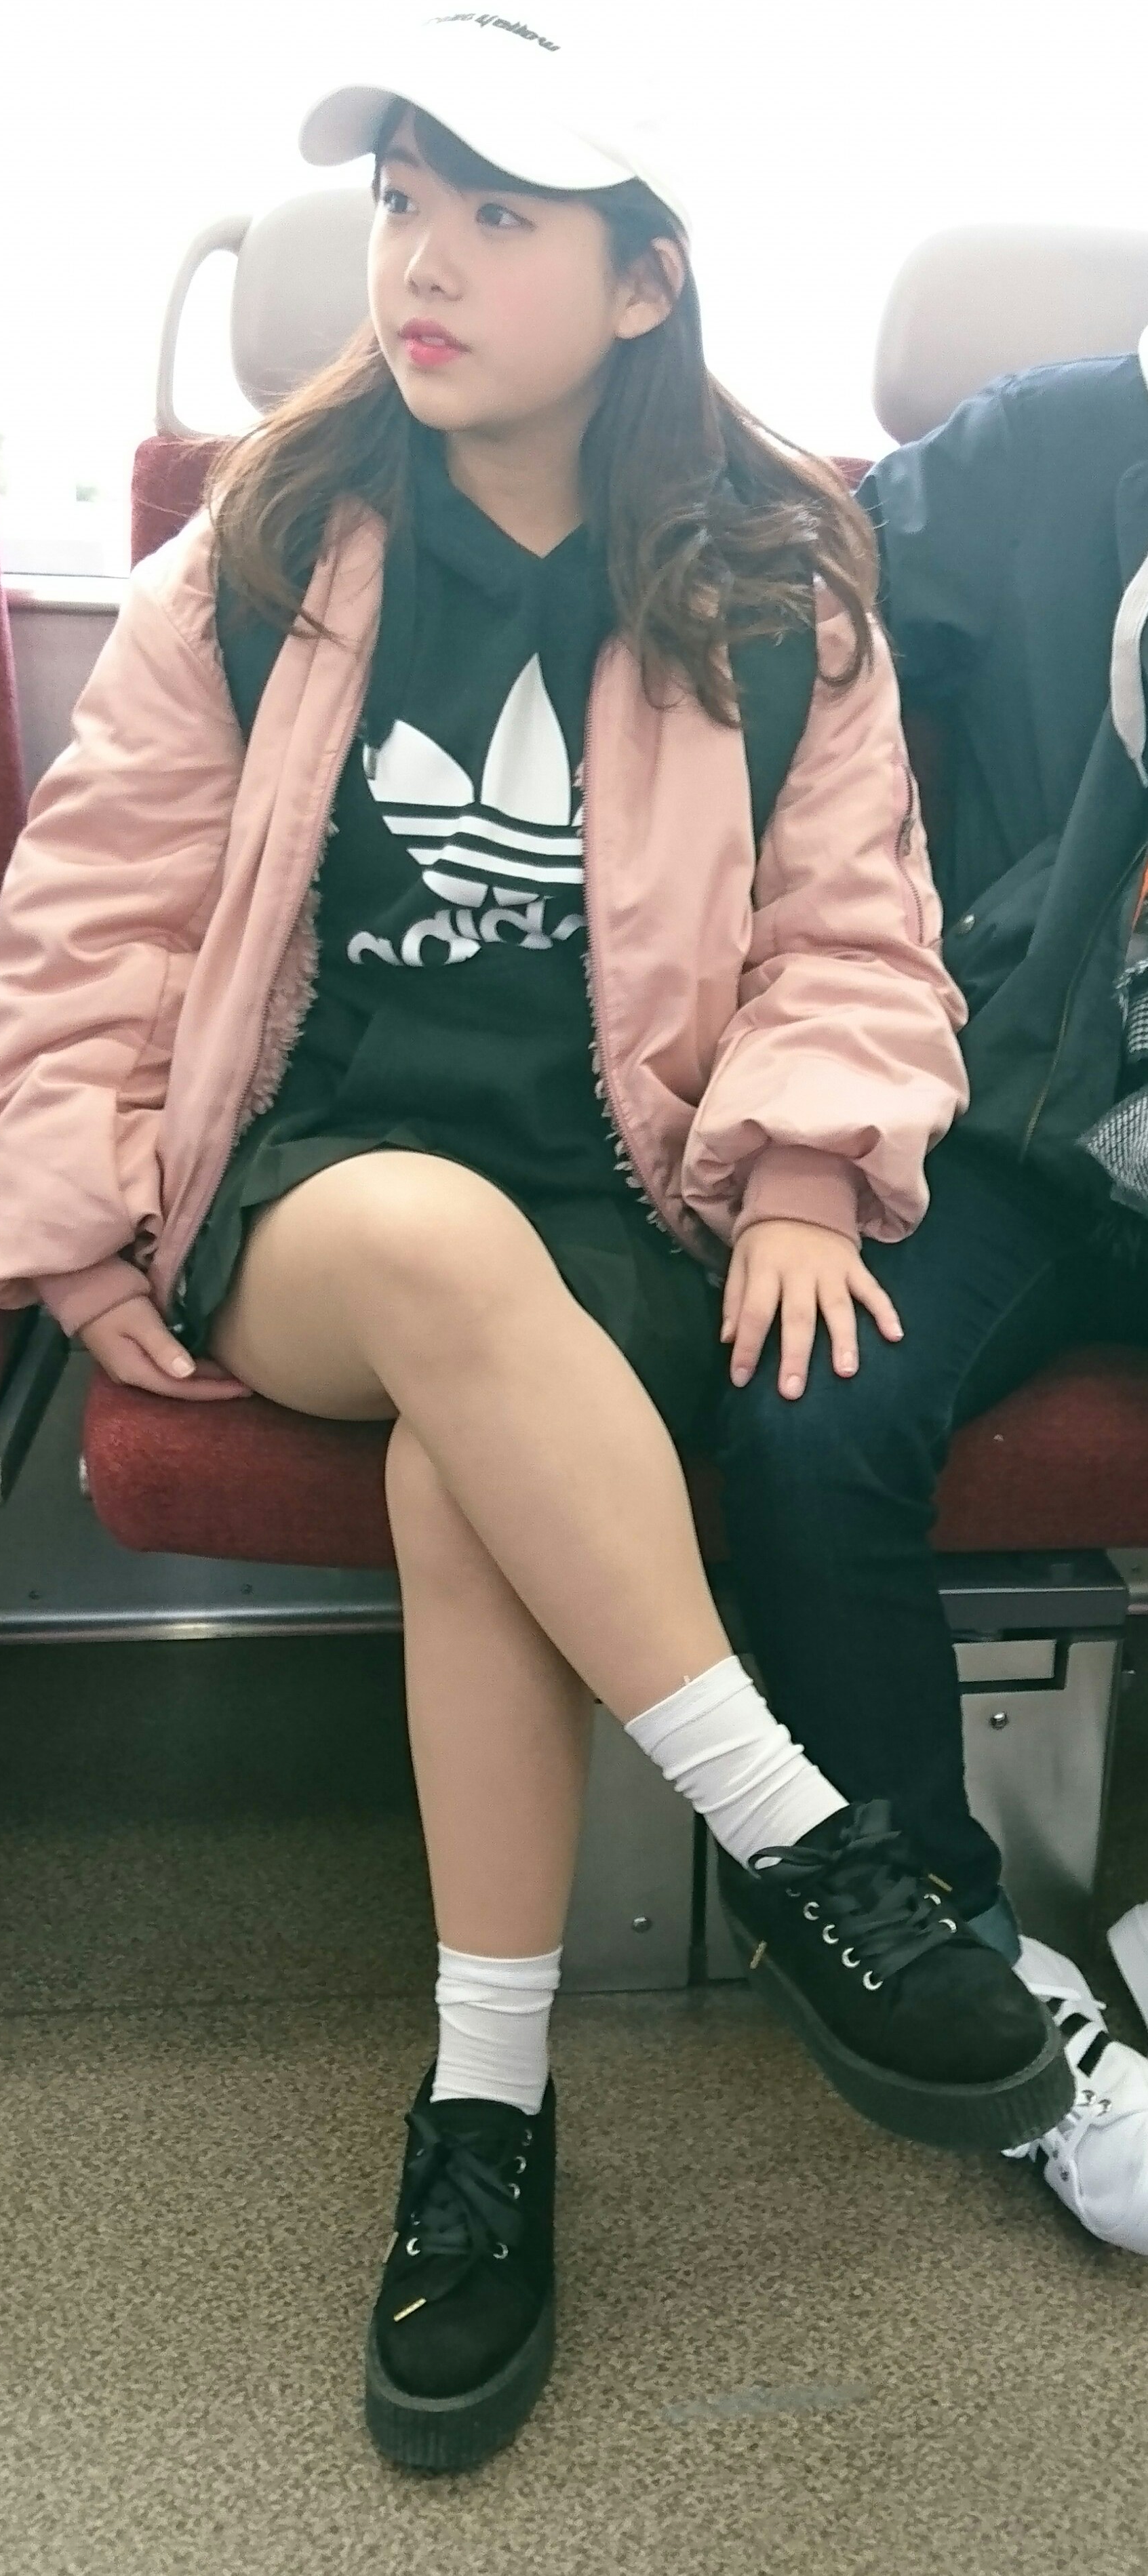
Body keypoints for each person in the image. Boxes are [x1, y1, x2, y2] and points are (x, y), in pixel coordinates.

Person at [0, 12, 1069, 2475]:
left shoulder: (775, 585)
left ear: (644, 280)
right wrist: (82, 1207)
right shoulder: (263, 552)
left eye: (496, 217)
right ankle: (812, 1851)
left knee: (475, 1470)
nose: (421, 265)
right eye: (399, 209)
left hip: (620, 1207)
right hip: (314, 1199)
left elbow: (854, 931)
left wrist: (802, 1169)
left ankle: (486, 2117)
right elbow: (90, 920)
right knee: (447, 1254)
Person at [717, 336, 1148, 2255]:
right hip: (1027, 1104)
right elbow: (783, 576)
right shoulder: (1058, 445)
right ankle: (963, 1950)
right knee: (809, 1406)